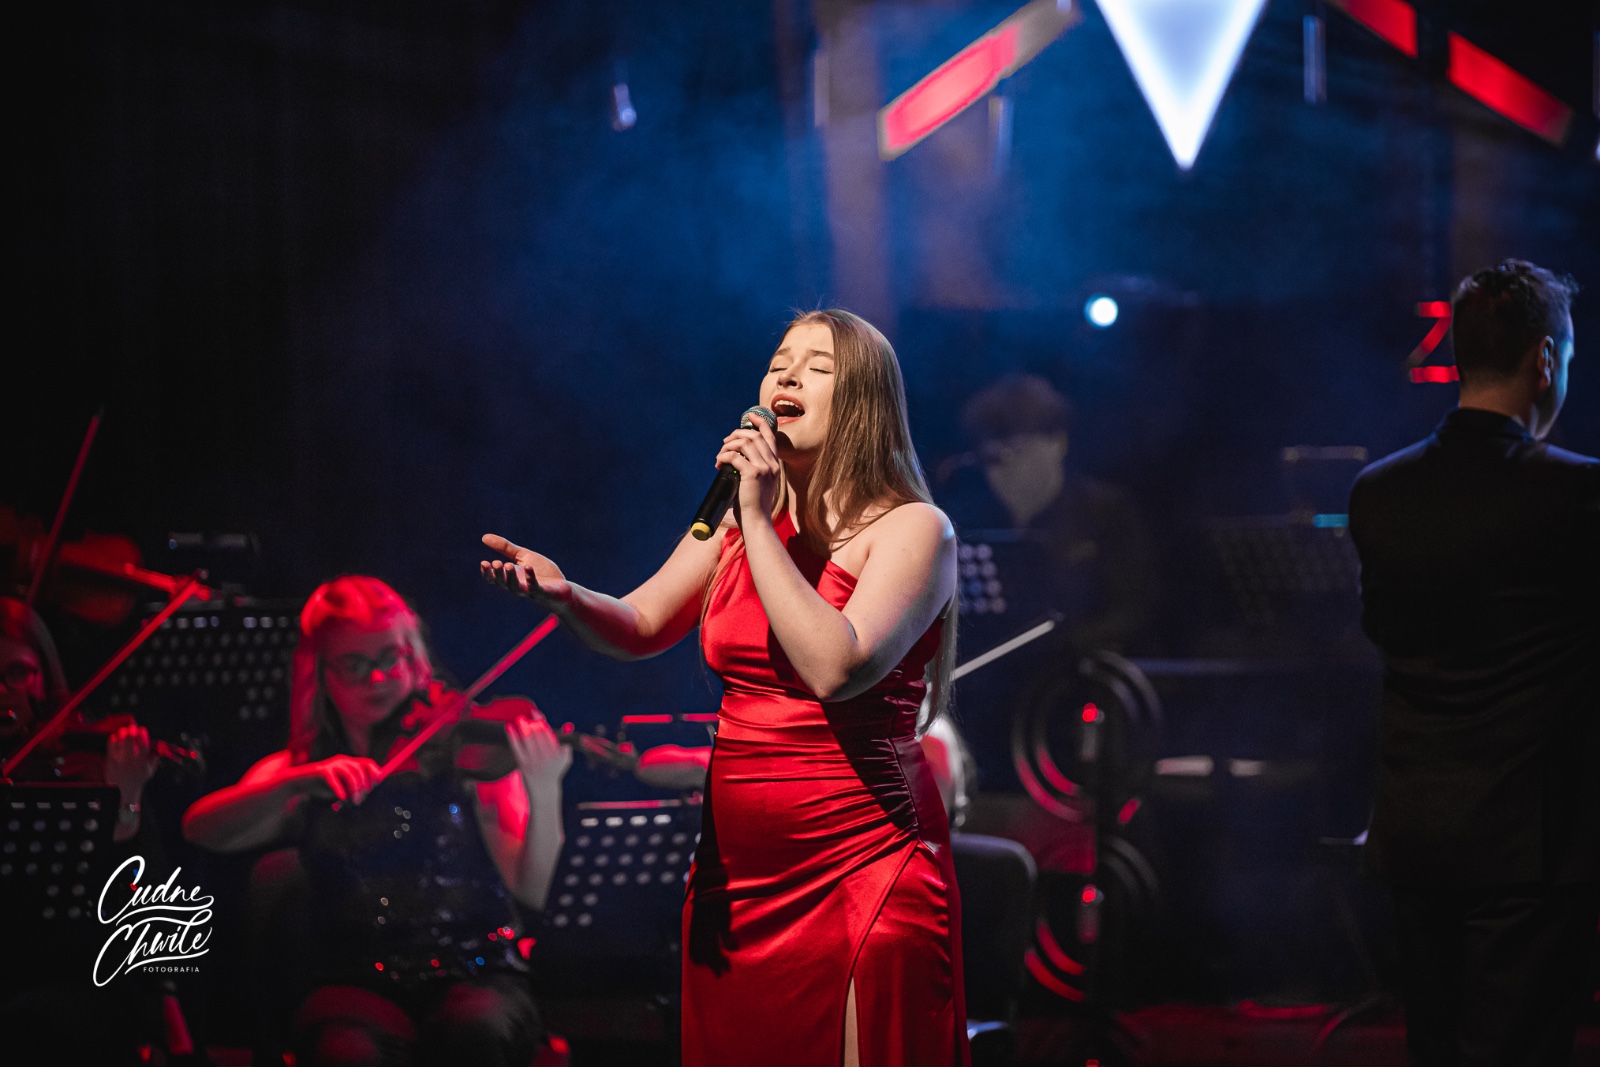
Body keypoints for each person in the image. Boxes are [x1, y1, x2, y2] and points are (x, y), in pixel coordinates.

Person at [481, 308, 967, 1067]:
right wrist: (566, 594)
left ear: (863, 404)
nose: (787, 375)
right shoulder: (738, 523)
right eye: (779, 362)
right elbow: (642, 622)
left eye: (817, 366)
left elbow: (835, 668)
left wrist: (759, 522)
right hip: (739, 877)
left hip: (863, 863)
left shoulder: (913, 530)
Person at [1348, 260, 1598, 1067]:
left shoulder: (1377, 492)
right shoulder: (1578, 494)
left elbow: (1382, 629)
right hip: (1533, 846)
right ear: (1546, 361)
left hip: (1417, 834)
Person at [182, 576, 570, 1067]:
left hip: (478, 972)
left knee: (477, 1033)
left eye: (391, 658)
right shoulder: (302, 771)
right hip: (352, 982)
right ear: (321, 674)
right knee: (346, 1052)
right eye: (355, 666)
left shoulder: (466, 754)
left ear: (414, 657)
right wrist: (296, 782)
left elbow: (532, 890)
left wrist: (544, 789)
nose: (379, 679)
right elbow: (200, 829)